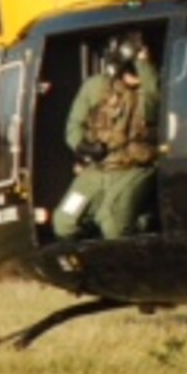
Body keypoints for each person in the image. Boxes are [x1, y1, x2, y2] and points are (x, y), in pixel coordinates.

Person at [54, 32, 160, 240]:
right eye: (130, 68)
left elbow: (153, 97)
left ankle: (142, 229)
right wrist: (82, 145)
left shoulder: (152, 91)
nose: (135, 74)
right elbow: (74, 125)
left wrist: (142, 62)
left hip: (134, 169)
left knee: (113, 225)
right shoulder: (96, 87)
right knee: (64, 221)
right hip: (97, 168)